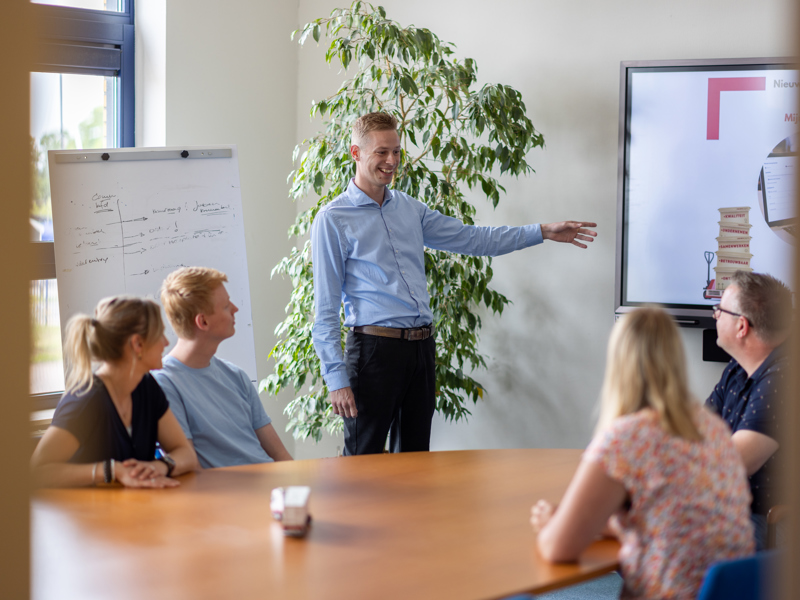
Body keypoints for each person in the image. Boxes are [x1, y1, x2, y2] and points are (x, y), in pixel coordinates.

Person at [312, 111, 598, 456]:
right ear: (356, 153)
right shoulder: (333, 219)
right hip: (374, 353)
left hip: (421, 349)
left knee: (415, 462)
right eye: (381, 152)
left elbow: (474, 239)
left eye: (397, 152)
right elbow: (325, 309)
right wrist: (336, 379)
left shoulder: (410, 209)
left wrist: (542, 232)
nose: (392, 161)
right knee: (361, 463)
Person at [531, 307, 753, 600]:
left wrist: (552, 523)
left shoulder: (627, 438)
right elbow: (667, 524)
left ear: (619, 363)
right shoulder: (713, 430)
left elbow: (556, 549)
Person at [31, 296, 198, 488]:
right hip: (85, 514)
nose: (166, 342)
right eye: (160, 334)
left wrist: (160, 466)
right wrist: (110, 471)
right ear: (137, 344)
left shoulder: (147, 386)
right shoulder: (85, 399)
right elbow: (37, 472)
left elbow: (186, 454)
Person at [153, 267, 293, 468]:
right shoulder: (163, 384)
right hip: (230, 495)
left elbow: (279, 454)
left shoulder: (236, 376)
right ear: (203, 321)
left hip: (269, 485)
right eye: (226, 306)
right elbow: (190, 467)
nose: (235, 309)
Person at [706, 271, 792, 550]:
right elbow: (694, 431)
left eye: (720, 309)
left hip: (772, 521)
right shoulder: (737, 368)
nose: (714, 315)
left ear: (741, 326)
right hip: (731, 507)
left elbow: (732, 462)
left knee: (651, 536)